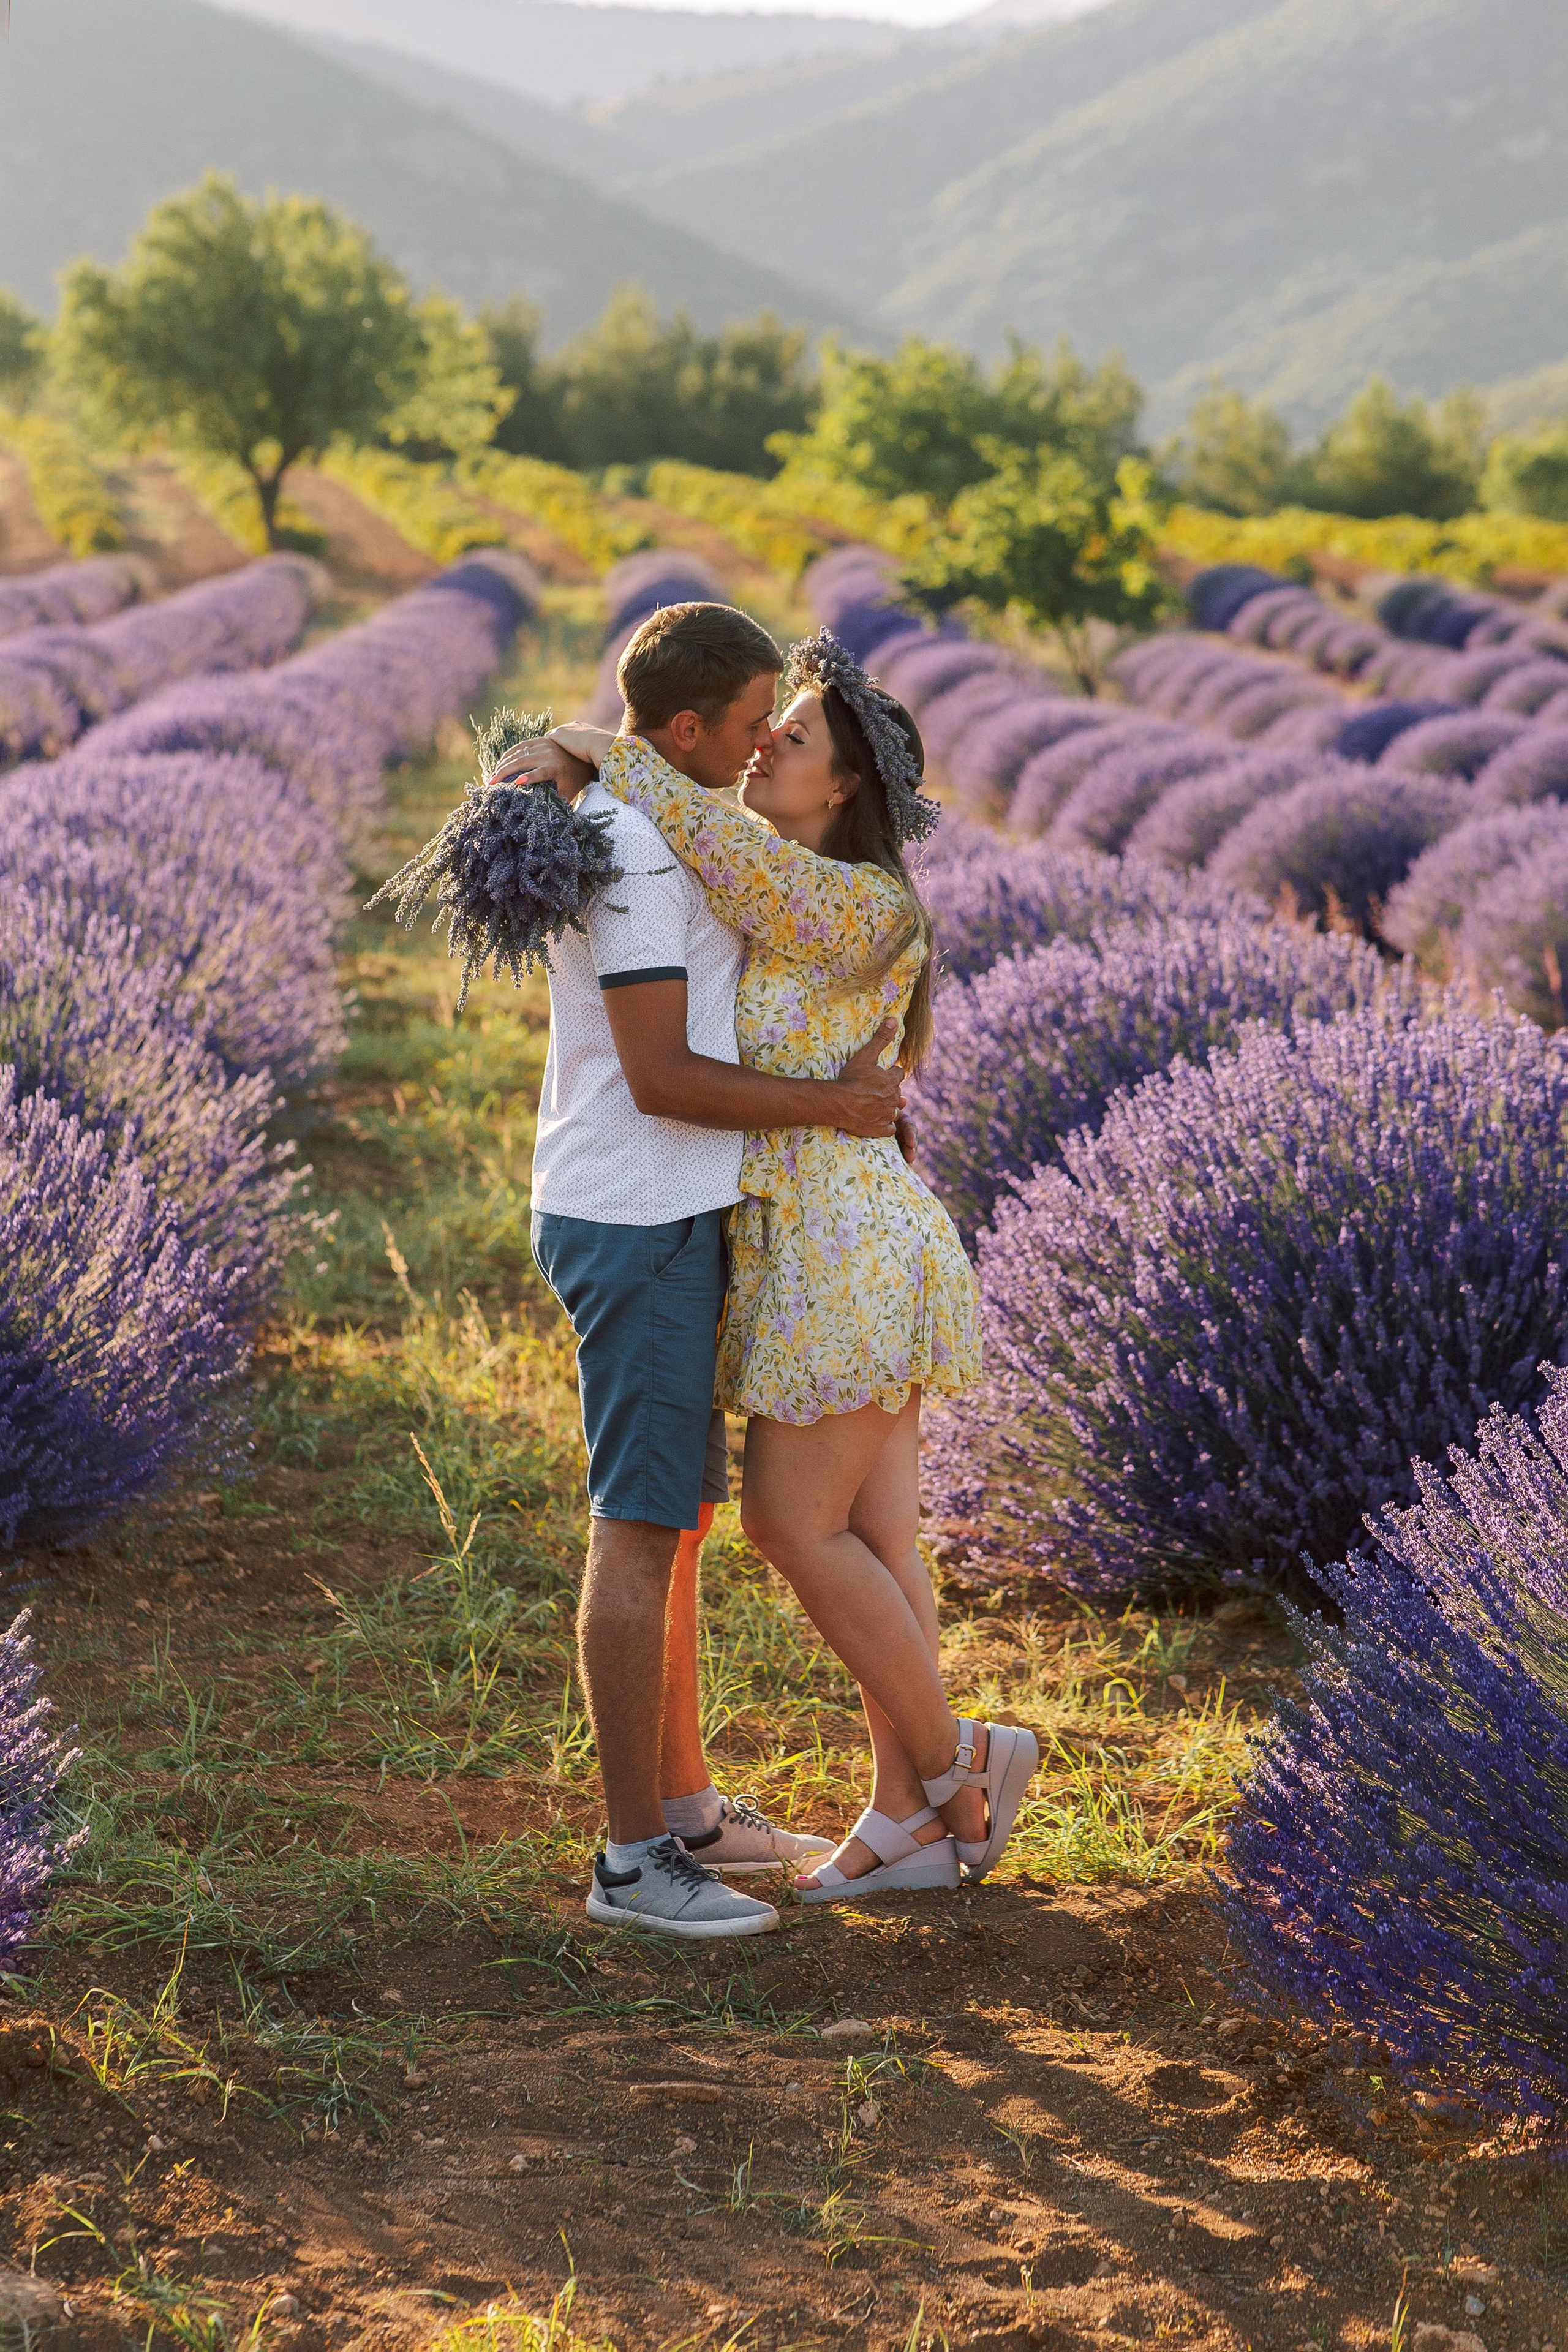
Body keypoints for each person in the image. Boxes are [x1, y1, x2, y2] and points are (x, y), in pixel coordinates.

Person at [499, 628, 1039, 1903]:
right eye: (760, 725)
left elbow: (712, 844)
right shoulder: (771, 876)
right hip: (815, 1228)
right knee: (877, 1537)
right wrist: (582, 757)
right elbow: (704, 859)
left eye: (789, 738)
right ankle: (909, 1819)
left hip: (844, 1244)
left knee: (789, 1525)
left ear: (844, 785)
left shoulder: (852, 900)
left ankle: (954, 1761)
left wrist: (595, 751)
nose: (763, 747)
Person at [527, 598, 909, 1940]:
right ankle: (635, 1862)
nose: (759, 749)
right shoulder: (631, 847)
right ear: (683, 729)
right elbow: (659, 1074)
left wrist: (563, 746)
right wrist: (837, 1110)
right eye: (750, 724)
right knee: (637, 1531)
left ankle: (683, 1808)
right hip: (633, 1215)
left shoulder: (674, 822)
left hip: (680, 1211)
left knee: (675, 1527)